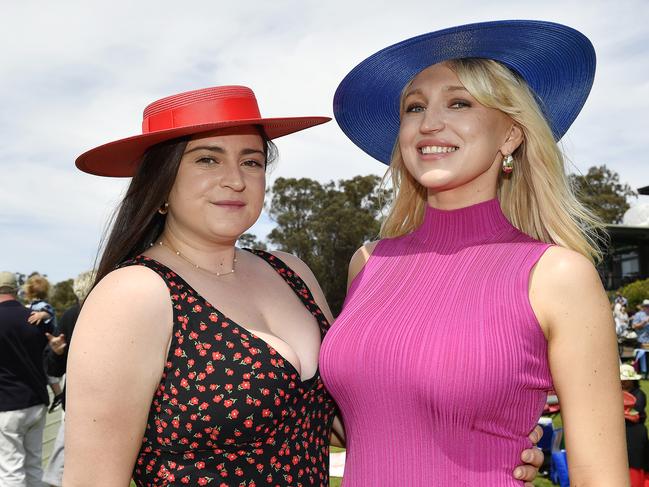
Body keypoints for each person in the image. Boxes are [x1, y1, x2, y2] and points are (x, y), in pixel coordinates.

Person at [65, 85, 543, 486]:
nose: (235, 180)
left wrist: (487, 438)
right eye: (207, 160)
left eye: (252, 162)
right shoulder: (134, 295)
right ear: (161, 184)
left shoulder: (291, 273)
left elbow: (351, 416)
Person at [320, 20, 628, 485]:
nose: (429, 123)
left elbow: (599, 476)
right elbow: (366, 419)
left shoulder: (557, 275)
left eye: (459, 102)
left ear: (511, 135)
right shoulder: (368, 264)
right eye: (414, 106)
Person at [41, 270, 95, 487]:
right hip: (80, 400)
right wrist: (57, 352)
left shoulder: (72, 314)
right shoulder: (72, 316)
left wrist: (56, 354)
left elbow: (53, 368)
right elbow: (54, 367)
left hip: (85, 399)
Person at [0, 271, 49, 486]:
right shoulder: (35, 318)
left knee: (11, 470)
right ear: (16, 290)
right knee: (34, 466)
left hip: (8, 404)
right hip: (37, 400)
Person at [621, 364, 649, 487]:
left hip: (635, 434)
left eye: (625, 379)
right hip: (621, 432)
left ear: (632, 380)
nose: (622, 382)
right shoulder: (614, 393)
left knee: (636, 464)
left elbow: (635, 412)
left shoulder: (639, 395)